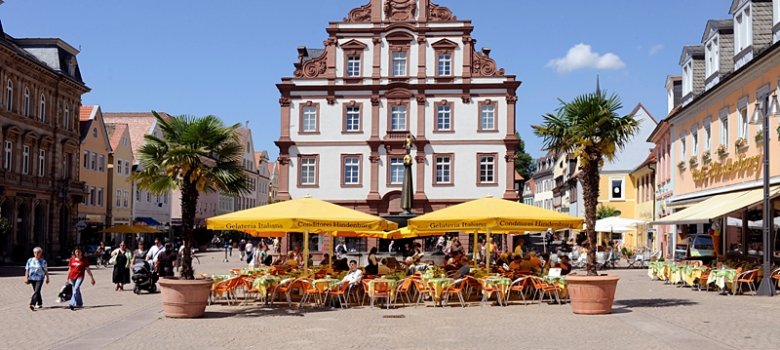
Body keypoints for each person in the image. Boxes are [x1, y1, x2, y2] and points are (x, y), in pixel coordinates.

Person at [66, 246, 96, 311]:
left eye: (79, 252)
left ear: (82, 252)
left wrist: (92, 278)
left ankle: (72, 303)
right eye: (76, 252)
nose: (78, 253)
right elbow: (70, 269)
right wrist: (67, 279)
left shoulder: (84, 260)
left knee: (75, 289)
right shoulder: (72, 259)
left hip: (80, 276)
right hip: (72, 277)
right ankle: (79, 303)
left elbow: (88, 270)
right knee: (77, 290)